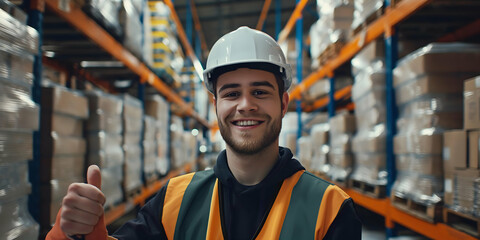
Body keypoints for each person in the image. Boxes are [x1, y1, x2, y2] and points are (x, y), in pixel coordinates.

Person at [46, 26, 362, 240]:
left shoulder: (330, 209)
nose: (245, 105)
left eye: (260, 92)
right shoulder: (175, 201)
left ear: (283, 103)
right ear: (216, 105)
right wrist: (77, 232)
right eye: (231, 93)